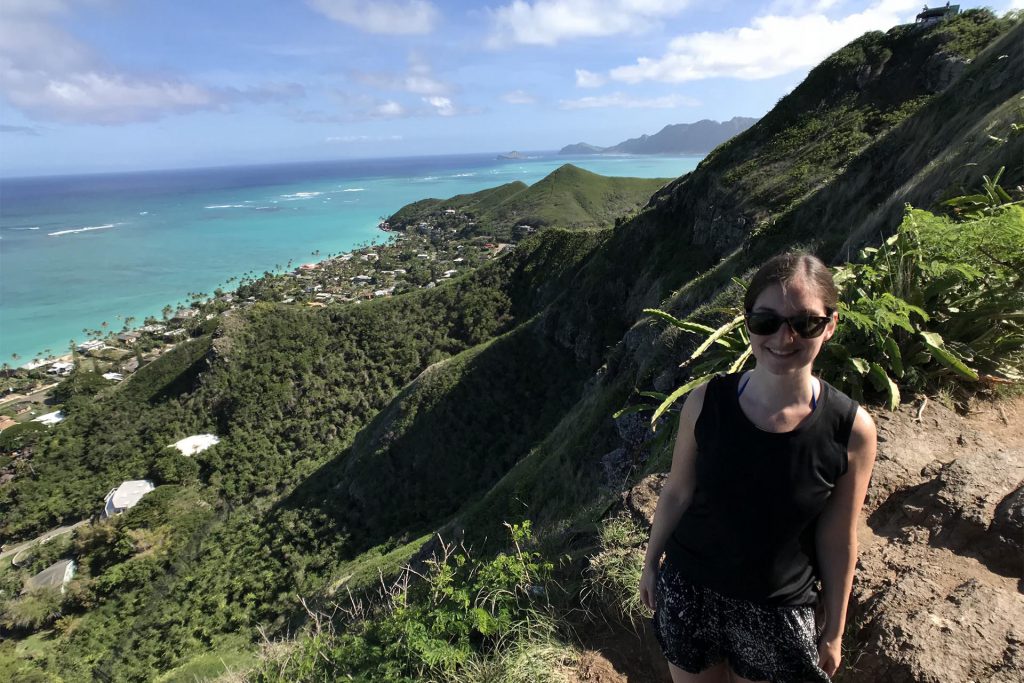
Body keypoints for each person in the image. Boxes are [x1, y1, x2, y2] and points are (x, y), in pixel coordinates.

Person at [638, 252, 877, 683]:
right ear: (747, 322)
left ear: (831, 323)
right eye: (767, 321)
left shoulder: (851, 429)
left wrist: (834, 630)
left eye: (804, 323)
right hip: (690, 587)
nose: (784, 338)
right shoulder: (706, 401)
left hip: (778, 608)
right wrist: (651, 561)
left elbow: (839, 535)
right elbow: (677, 490)